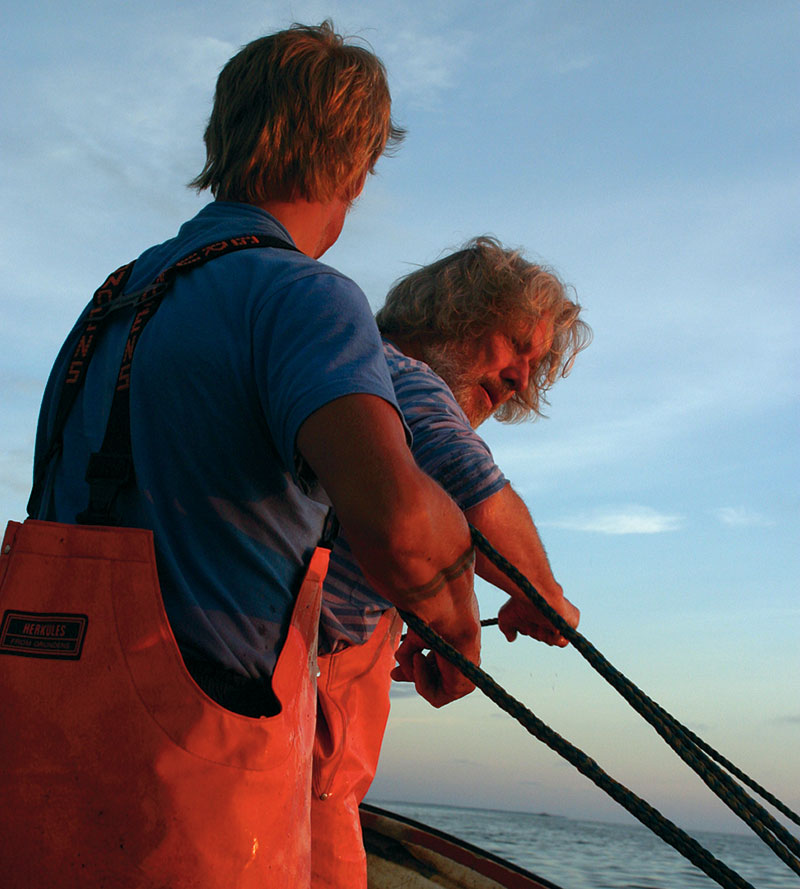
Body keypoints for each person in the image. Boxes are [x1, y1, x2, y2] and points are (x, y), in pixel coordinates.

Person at [0, 22, 480, 889]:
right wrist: (456, 614)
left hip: (37, 759)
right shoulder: (306, 298)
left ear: (222, 139)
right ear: (358, 164)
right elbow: (401, 525)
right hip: (194, 800)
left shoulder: (112, 300)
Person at [310, 236, 591, 888]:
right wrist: (544, 594)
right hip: (300, 754)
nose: (523, 377)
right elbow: (472, 492)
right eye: (514, 344)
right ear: (452, 311)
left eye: (536, 364)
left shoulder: (346, 385)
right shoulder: (398, 375)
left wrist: (392, 634)